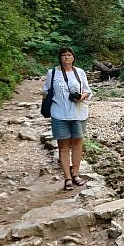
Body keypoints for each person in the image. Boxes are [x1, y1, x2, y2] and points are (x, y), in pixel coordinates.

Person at [43, 47, 92, 191]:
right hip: (59, 114)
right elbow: (46, 92)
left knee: (77, 144)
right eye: (63, 55)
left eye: (69, 55)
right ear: (60, 57)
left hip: (79, 113)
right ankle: (67, 178)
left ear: (73, 57)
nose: (66, 57)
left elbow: (88, 91)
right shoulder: (52, 73)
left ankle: (76, 174)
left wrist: (82, 97)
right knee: (63, 147)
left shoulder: (80, 72)